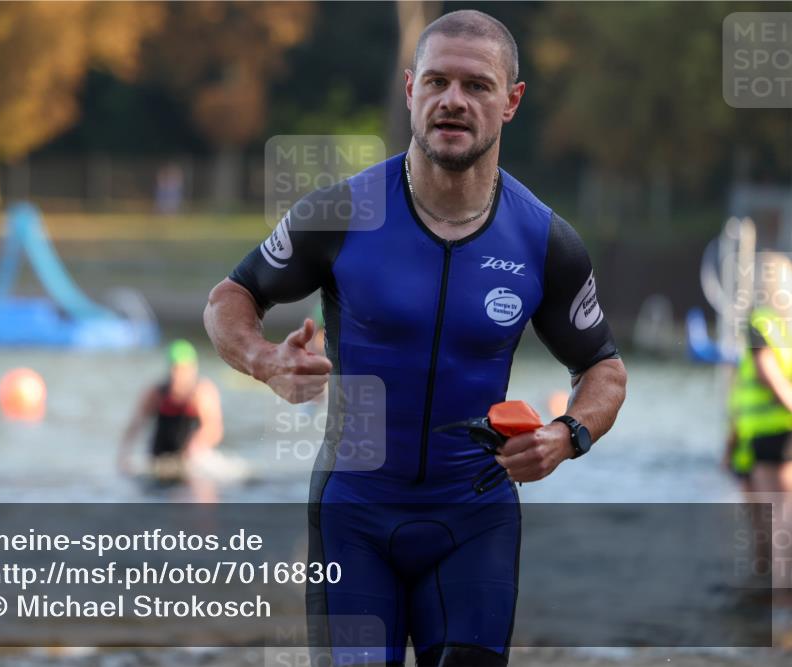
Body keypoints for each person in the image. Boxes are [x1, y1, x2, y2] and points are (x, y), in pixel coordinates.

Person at [204, 10, 626, 667]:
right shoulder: (341, 212)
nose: (453, 100)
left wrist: (569, 434)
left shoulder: (544, 240)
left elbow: (603, 367)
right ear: (410, 92)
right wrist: (265, 360)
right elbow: (230, 297)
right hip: (355, 515)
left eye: (477, 86)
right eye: (437, 82)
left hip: (476, 516)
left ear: (511, 102)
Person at [726, 251, 792, 595]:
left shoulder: (761, 323)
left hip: (770, 432)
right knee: (774, 516)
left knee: (775, 514)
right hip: (765, 432)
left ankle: (776, 594)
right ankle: (772, 591)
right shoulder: (776, 325)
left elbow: (768, 376)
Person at [119, 339, 223, 480]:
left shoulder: (202, 392)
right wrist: (124, 455)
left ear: (193, 369)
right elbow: (136, 424)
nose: (178, 375)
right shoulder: (156, 393)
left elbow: (214, 429)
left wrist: (196, 445)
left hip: (193, 458)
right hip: (159, 457)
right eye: (175, 368)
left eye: (183, 369)